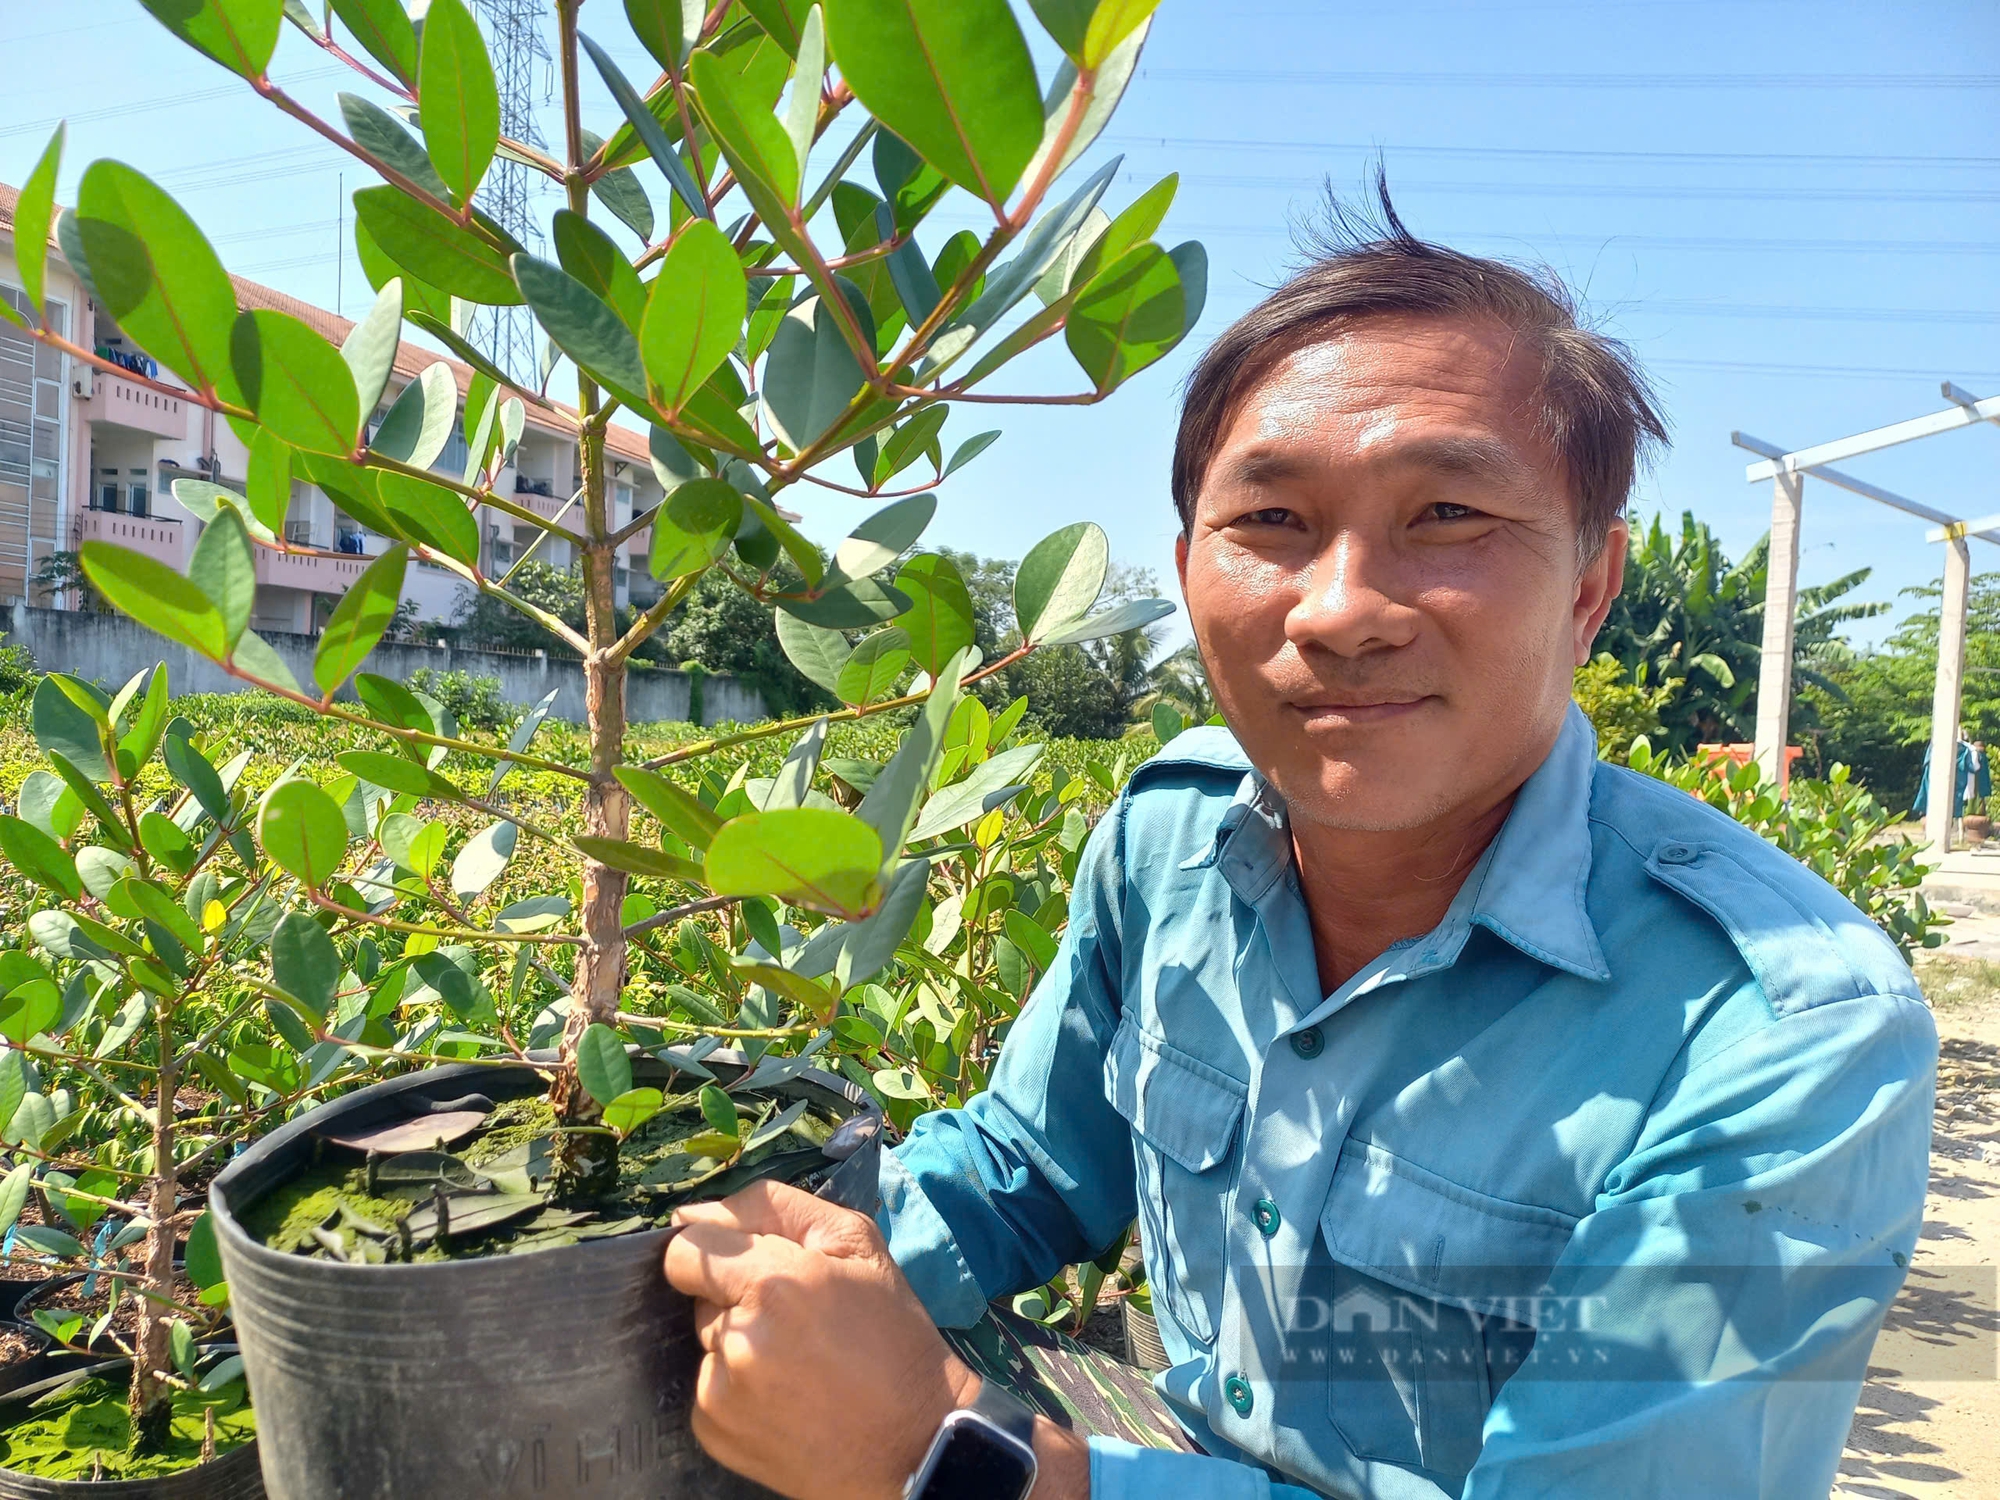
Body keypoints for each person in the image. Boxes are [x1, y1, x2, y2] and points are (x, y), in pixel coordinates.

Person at [663, 185, 1937, 1500]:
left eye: (1448, 516)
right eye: (1271, 522)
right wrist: (737, 1261)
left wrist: (939, 1459)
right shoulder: (1166, 842)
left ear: (1589, 586)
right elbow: (1033, 1164)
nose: (1338, 612)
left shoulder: (1782, 1035)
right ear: (1187, 562)